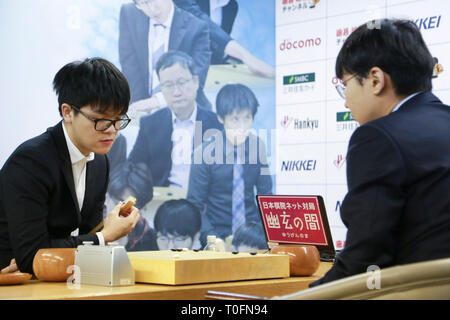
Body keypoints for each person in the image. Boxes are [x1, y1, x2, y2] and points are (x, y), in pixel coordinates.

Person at [310, 19, 450, 287]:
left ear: (375, 79)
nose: (346, 99)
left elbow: (364, 259)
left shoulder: (378, 138)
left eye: (345, 84)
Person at [0, 58, 141, 274]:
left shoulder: (99, 161)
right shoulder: (31, 161)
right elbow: (32, 256)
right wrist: (104, 236)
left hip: (57, 280)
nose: (112, 130)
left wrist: (105, 228)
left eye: (119, 119)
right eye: (101, 120)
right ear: (67, 112)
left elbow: (84, 238)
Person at [187, 83, 272, 247]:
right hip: (216, 235)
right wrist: (213, 239)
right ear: (220, 117)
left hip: (253, 237)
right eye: (235, 118)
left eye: (247, 118)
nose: (242, 125)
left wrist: (262, 233)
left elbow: (266, 197)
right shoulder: (203, 153)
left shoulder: (258, 146)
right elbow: (195, 206)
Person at [127, 50, 223, 189]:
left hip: (204, 201)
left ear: (195, 82)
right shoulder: (150, 124)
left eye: (182, 82)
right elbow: (133, 167)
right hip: (163, 201)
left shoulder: (217, 124)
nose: (176, 92)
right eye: (168, 85)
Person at [119, 0, 212, 114]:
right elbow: (130, 66)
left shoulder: (196, 28)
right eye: (144, 3)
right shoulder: (129, 14)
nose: (152, 9)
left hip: (187, 109)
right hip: (142, 107)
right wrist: (140, 110)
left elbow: (193, 81)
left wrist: (156, 101)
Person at [175, 0, 275, 77]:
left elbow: (216, 46)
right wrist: (246, 57)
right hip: (175, 70)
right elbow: (197, 21)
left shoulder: (230, 7)